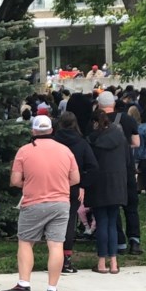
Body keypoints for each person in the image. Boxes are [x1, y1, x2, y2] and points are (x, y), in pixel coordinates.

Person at [2, 116, 80, 291]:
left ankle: (24, 284)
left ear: (33, 131)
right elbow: (75, 179)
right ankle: (52, 288)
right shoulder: (65, 151)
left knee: (26, 241)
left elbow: (14, 180)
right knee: (56, 245)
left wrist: (30, 183)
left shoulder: (24, 151)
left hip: (33, 202)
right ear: (52, 130)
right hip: (61, 203)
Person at [93, 90, 143, 255]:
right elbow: (136, 142)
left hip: (104, 170)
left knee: (111, 207)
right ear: (113, 103)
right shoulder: (128, 120)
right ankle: (134, 240)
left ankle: (119, 242)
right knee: (131, 206)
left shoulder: (94, 122)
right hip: (126, 168)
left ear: (99, 105)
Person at [52, 112, 99, 273]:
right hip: (73, 187)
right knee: (69, 222)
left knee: (52, 222)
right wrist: (83, 184)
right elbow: (93, 167)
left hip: (53, 185)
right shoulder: (81, 143)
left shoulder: (53, 142)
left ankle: (54, 257)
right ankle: (66, 259)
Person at [86, 110, 129, 274]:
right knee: (113, 223)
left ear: (96, 123)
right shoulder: (120, 137)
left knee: (102, 223)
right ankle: (114, 263)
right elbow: (128, 161)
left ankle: (101, 263)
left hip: (99, 184)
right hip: (117, 183)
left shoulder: (92, 140)